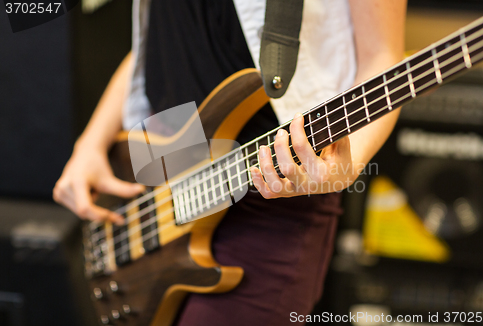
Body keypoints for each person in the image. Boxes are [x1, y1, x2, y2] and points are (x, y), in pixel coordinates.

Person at [53, 0, 406, 324]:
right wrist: (91, 143)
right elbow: (162, 37)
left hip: (269, 200)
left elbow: (382, 57)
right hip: (152, 178)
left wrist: (347, 166)